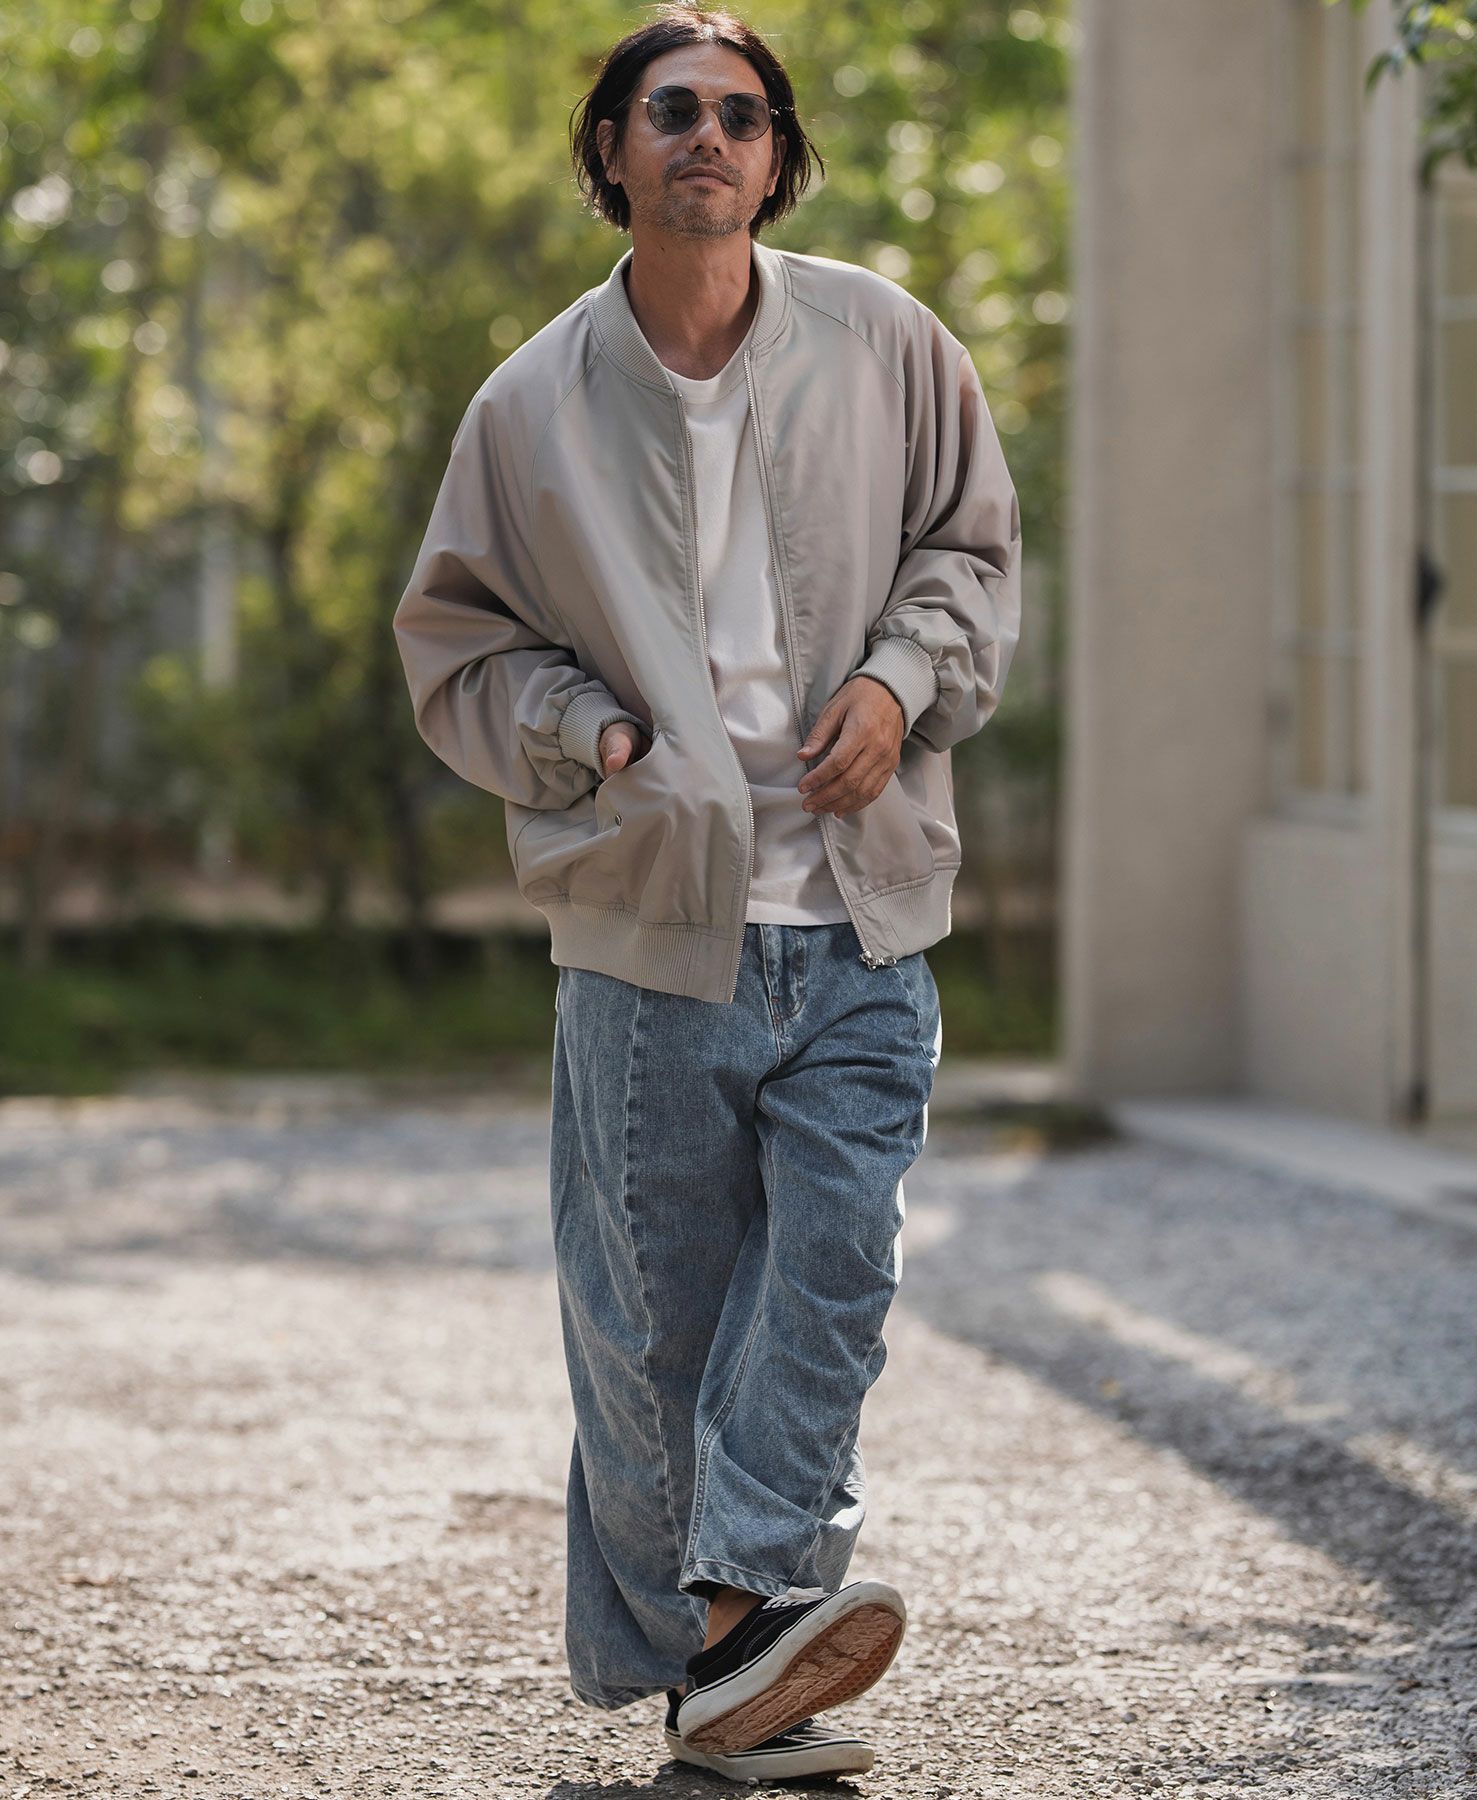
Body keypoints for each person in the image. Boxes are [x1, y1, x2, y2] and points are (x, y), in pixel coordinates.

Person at [393, 4, 1022, 1784]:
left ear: (777, 154)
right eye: (669, 109)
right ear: (612, 149)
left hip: (863, 914)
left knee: (835, 1271)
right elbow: (455, 647)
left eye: (742, 114)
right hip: (652, 920)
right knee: (653, 1323)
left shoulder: (891, 345)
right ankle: (731, 1682)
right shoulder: (530, 403)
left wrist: (899, 680)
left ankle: (738, 1623)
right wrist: (588, 734)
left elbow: (970, 554)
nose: (708, 137)